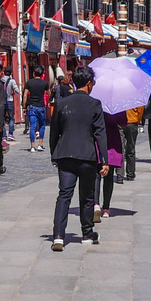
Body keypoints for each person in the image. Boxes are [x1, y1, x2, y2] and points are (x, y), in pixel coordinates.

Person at [47, 64, 107, 250]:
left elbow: (54, 132)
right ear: (89, 83)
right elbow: (100, 134)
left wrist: (54, 154)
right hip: (87, 157)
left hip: (65, 154)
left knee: (64, 195)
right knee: (87, 196)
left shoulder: (62, 103)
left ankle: (58, 236)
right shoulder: (94, 104)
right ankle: (87, 233)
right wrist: (104, 160)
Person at [99, 112, 126, 220]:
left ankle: (95, 204)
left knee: (96, 176)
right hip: (113, 140)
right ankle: (106, 207)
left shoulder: (96, 102)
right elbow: (124, 123)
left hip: (98, 137)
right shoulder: (117, 106)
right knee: (108, 177)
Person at [25, 67, 52, 152]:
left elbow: (25, 95)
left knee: (32, 126)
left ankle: (32, 146)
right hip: (41, 106)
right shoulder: (45, 83)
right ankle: (40, 144)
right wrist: (49, 100)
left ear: (34, 74)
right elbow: (49, 94)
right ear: (42, 75)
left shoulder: (29, 82)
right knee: (42, 125)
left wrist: (24, 106)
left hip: (32, 106)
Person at [121, 104, 143, 179]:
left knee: (120, 148)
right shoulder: (135, 96)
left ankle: (119, 175)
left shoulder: (119, 94)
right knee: (131, 148)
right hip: (132, 122)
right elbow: (140, 110)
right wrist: (138, 120)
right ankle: (130, 173)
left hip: (121, 122)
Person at [4, 71, 22, 140]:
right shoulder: (12, 81)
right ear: (11, 73)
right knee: (11, 117)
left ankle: (4, 135)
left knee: (2, 118)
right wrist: (12, 94)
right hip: (9, 100)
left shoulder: (1, 80)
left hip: (2, 101)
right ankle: (10, 134)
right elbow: (17, 90)